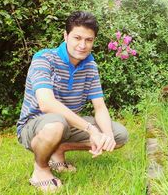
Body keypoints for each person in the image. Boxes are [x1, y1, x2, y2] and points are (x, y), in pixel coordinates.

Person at [16, 11, 129, 193]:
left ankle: (57, 149)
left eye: (89, 40)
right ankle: (41, 170)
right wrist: (91, 130)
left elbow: (99, 107)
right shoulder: (44, 59)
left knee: (119, 136)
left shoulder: (90, 66)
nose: (82, 45)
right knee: (56, 123)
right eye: (77, 37)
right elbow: (46, 104)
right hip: (34, 126)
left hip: (68, 124)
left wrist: (106, 135)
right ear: (65, 36)